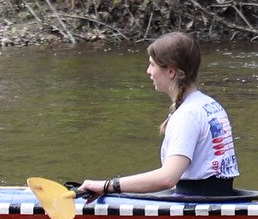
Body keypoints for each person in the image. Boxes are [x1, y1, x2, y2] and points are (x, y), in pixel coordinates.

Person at [78, 31, 243, 200]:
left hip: (196, 203)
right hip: (217, 196)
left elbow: (168, 178)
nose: (148, 71)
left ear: (171, 72)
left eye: (152, 64)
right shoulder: (210, 104)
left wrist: (107, 186)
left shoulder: (187, 115)